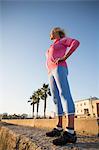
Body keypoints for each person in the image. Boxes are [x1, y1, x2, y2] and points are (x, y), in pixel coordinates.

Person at [45, 27, 80, 146]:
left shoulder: (62, 40)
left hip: (60, 67)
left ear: (56, 32)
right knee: (55, 98)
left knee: (64, 93)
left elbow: (76, 42)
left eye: (51, 32)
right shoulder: (51, 46)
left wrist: (65, 57)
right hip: (51, 71)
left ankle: (70, 131)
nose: (49, 33)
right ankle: (59, 127)